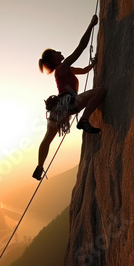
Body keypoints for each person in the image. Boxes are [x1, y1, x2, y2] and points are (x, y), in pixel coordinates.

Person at [33, 14, 105, 180]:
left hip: (58, 107)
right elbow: (81, 47)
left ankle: (39, 167)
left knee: (47, 139)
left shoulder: (65, 70)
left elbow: (86, 70)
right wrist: (91, 25)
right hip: (69, 102)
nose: (60, 52)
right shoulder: (63, 67)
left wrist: (93, 64)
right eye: (56, 52)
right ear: (53, 58)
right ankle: (84, 120)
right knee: (100, 91)